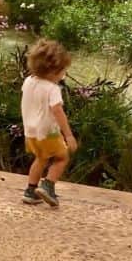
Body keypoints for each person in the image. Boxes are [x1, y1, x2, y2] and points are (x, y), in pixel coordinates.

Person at [21, 39, 77, 207]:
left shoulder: (28, 81)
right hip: (48, 132)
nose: (63, 75)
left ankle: (30, 191)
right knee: (62, 157)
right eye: (62, 72)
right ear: (53, 71)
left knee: (41, 158)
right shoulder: (52, 89)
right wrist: (68, 135)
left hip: (30, 132)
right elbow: (57, 111)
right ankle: (48, 186)